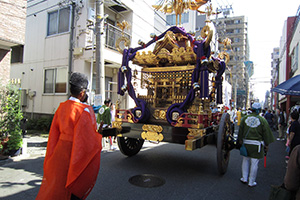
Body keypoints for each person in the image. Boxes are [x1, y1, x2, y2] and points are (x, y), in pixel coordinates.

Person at [36, 72, 102, 200]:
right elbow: (88, 142)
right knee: (72, 188)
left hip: (59, 154)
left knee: (57, 188)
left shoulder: (61, 107)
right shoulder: (84, 110)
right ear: (82, 93)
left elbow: (53, 135)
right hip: (74, 154)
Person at [237, 102, 275, 187]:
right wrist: (267, 144)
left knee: (245, 160)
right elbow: (266, 134)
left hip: (246, 143)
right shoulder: (262, 120)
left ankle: (244, 178)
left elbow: (240, 132)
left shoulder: (245, 118)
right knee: (254, 163)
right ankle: (251, 181)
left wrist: (239, 140)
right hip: (257, 144)